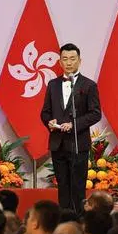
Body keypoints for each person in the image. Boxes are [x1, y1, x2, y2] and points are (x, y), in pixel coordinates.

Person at [40, 43, 101, 214]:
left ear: (79, 61)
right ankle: (64, 221)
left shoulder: (89, 85)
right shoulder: (52, 84)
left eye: (72, 59)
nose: (68, 62)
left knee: (77, 187)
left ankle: (79, 221)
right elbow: (45, 112)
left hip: (78, 143)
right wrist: (50, 122)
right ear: (60, 62)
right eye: (65, 59)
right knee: (63, 186)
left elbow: (95, 114)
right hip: (57, 143)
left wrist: (74, 124)